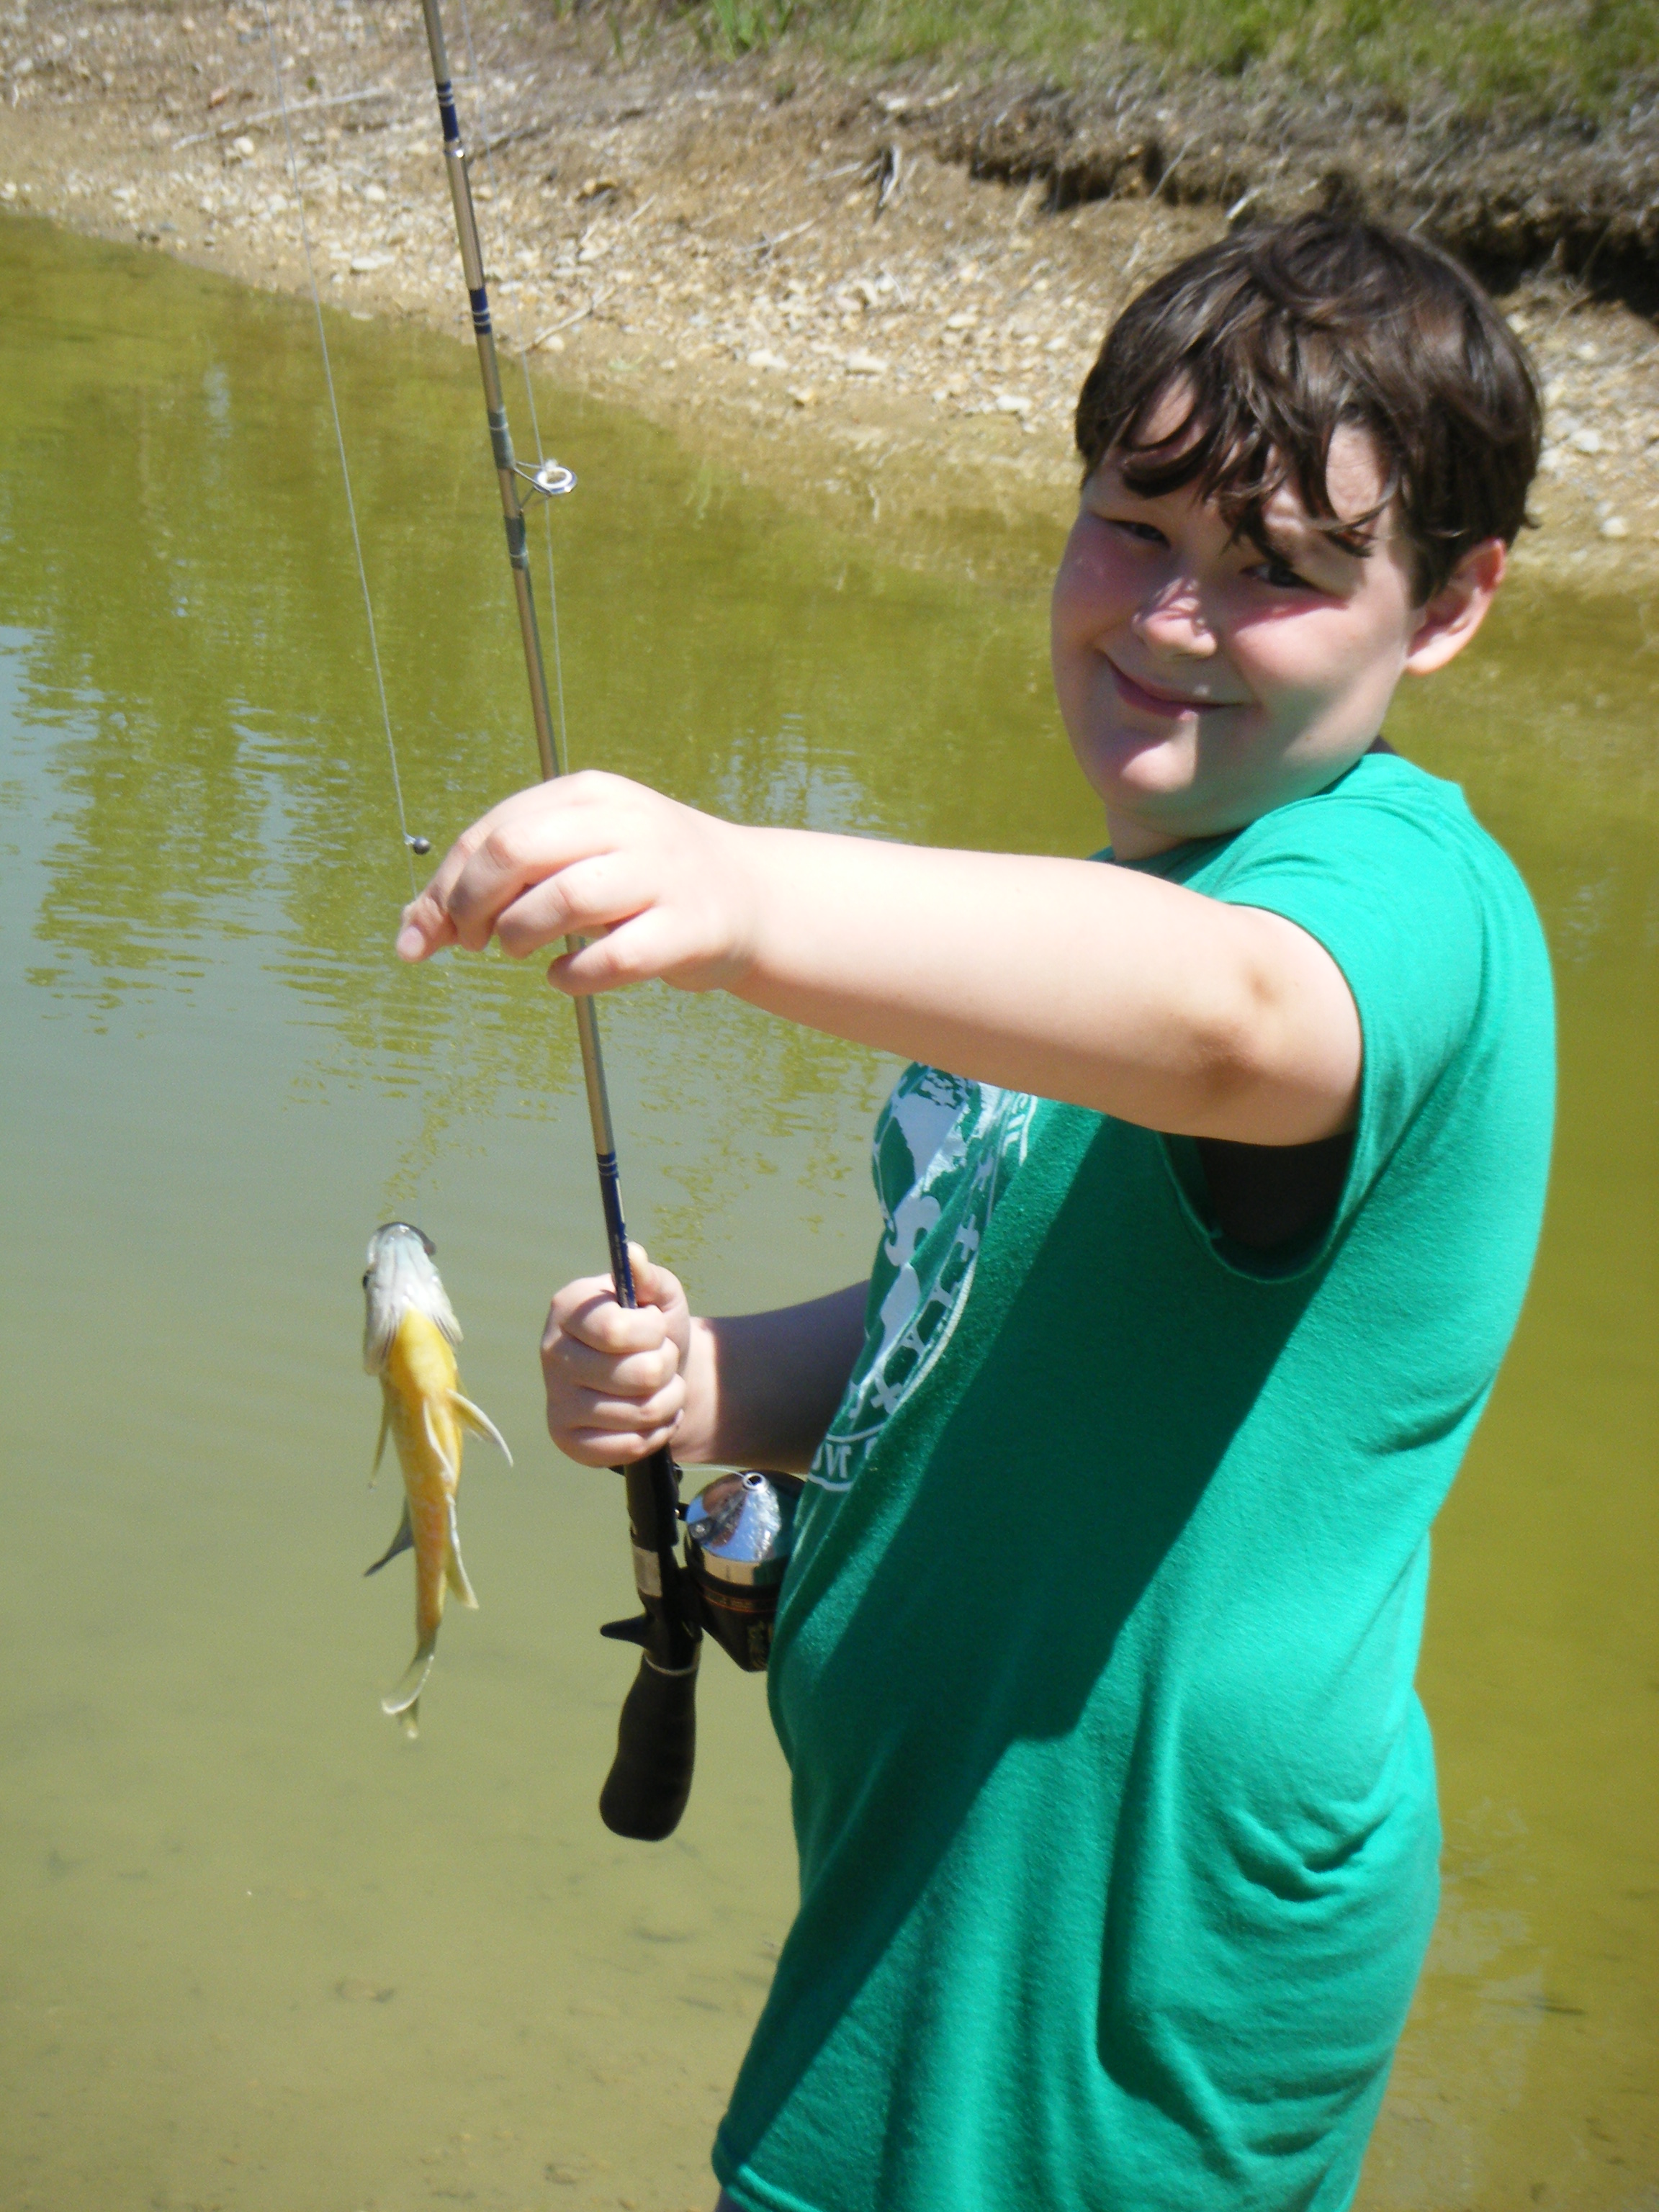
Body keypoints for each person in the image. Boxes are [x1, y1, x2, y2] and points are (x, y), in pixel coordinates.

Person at [396, 216, 1555, 2212]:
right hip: (927, 1858)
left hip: (1122, 1933)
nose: (1178, 617)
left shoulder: (1397, 896)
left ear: (1448, 607)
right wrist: (719, 1383)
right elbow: (982, 1307)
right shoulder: (1104, 919)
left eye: (1278, 571)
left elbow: (1238, 1023)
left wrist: (744, 890)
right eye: (1136, 528)